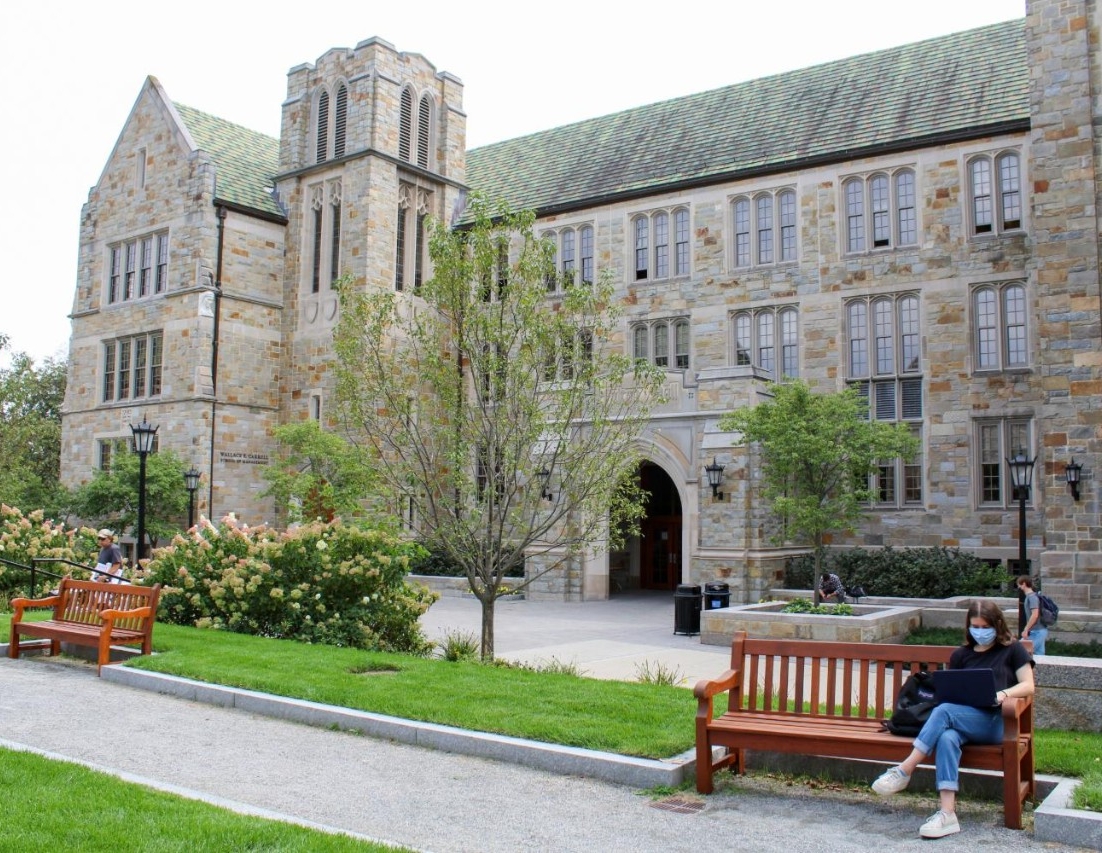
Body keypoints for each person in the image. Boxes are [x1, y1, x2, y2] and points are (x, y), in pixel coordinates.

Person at [871, 599, 1035, 839]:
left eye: (984, 626)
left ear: (997, 624)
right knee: (947, 737)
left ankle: (904, 769)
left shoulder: (1012, 650)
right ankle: (948, 814)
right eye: (974, 626)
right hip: (964, 718)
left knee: (945, 711)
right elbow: (952, 691)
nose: (980, 631)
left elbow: (1029, 685)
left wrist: (1002, 694)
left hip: (996, 721)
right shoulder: (961, 655)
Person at [1016, 575, 1047, 656]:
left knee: (1020, 653)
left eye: (1019, 584)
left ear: (1024, 584)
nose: (1018, 587)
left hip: (1036, 632)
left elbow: (1035, 615)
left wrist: (1026, 629)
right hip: (1039, 631)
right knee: (1039, 656)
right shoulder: (1032, 596)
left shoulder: (1032, 597)